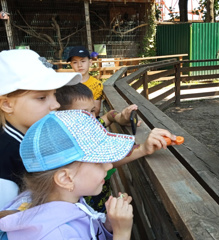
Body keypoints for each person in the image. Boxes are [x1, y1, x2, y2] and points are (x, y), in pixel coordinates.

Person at [0, 110, 135, 240]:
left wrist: (109, 225)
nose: (109, 165)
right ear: (66, 179)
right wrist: (122, 233)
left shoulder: (60, 199)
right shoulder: (57, 236)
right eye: (98, 162)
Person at [55, 83, 177, 211]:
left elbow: (108, 116)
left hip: (103, 213)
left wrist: (120, 117)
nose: (91, 118)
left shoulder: (90, 126)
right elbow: (108, 162)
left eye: (92, 111)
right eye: (83, 114)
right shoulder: (67, 150)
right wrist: (143, 149)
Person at [0, 49, 82, 209]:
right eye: (42, 98)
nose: (56, 105)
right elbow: (5, 217)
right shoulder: (7, 155)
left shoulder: (28, 138)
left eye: (54, 94)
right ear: (7, 105)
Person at [67, 46, 103, 116]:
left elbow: (96, 110)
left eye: (83, 61)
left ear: (90, 62)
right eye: (75, 62)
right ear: (71, 65)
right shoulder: (67, 84)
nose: (79, 65)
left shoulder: (96, 85)